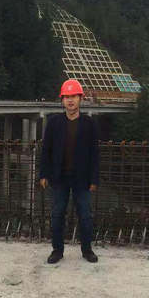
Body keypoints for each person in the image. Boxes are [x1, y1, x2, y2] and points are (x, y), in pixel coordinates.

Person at [39, 79, 100, 264]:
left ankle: (87, 250)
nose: (70, 100)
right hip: (59, 177)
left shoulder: (89, 124)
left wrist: (94, 179)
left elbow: (95, 153)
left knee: (85, 216)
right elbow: (46, 150)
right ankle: (57, 250)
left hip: (82, 178)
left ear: (80, 98)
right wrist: (43, 174)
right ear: (62, 100)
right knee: (57, 215)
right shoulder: (54, 123)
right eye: (66, 97)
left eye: (73, 96)